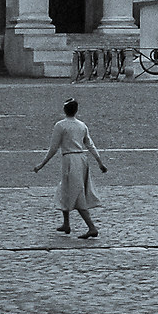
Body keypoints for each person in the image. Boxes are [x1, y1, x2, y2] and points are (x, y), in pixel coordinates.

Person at [33, 99, 107, 239]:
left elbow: (53, 148)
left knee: (75, 192)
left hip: (70, 160)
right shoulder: (81, 125)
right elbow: (90, 144)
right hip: (81, 159)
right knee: (64, 189)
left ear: (64, 110)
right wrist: (99, 162)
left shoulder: (60, 125)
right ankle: (66, 223)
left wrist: (42, 164)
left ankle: (91, 227)